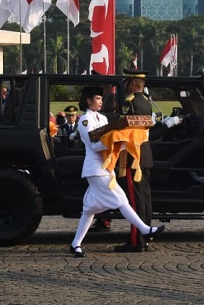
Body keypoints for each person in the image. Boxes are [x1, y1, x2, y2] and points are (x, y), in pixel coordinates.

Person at [68, 86, 163, 257]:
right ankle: (144, 229)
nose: (101, 102)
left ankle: (75, 244)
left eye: (101, 99)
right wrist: (116, 140)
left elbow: (112, 137)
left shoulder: (103, 118)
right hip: (95, 168)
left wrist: (124, 140)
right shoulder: (85, 121)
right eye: (98, 98)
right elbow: (94, 146)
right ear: (89, 100)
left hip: (106, 167)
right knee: (121, 199)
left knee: (89, 209)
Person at [116, 69, 155, 252]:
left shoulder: (130, 102)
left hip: (133, 155)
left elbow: (123, 129)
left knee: (135, 200)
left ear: (132, 83)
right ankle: (145, 236)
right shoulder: (146, 102)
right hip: (145, 153)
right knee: (145, 198)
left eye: (127, 82)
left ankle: (136, 240)